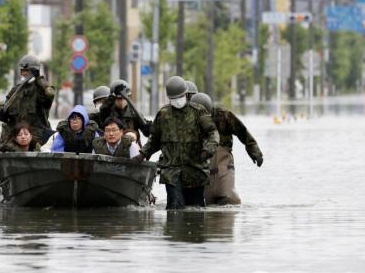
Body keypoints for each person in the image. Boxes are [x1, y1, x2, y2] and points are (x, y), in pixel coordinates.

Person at [134, 76, 219, 210]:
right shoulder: (163, 114)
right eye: (173, 99)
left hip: (195, 168)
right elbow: (154, 139)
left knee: (196, 209)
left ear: (186, 94)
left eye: (179, 97)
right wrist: (143, 154)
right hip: (171, 171)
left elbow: (212, 133)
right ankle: (173, 230)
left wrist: (208, 149)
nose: (177, 101)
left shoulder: (198, 112)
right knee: (174, 208)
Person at [191, 92, 264, 205]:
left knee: (229, 199)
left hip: (224, 165)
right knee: (205, 204)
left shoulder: (224, 115)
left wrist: (255, 151)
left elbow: (242, 132)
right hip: (202, 167)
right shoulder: (189, 120)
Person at [0, 55, 56, 145]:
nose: (24, 73)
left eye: (27, 71)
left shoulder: (41, 89)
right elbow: (6, 111)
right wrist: (0, 112)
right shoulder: (15, 90)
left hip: (34, 136)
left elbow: (50, 94)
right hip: (15, 135)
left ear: (35, 71)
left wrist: (39, 80)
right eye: (22, 71)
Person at [98, 79, 151, 144]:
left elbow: (147, 133)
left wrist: (149, 127)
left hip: (131, 148)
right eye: (119, 99)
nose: (121, 101)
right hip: (112, 147)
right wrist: (112, 96)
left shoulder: (134, 113)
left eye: (124, 98)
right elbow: (103, 110)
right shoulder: (108, 112)